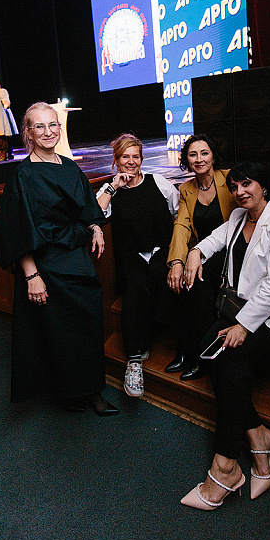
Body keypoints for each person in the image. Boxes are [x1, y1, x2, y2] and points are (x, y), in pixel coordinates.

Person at [180, 161, 270, 510]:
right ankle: (259, 435)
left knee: (232, 361)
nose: (239, 192)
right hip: (243, 310)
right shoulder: (239, 217)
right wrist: (194, 252)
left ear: (263, 186)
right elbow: (214, 239)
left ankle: (225, 466)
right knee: (208, 350)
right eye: (235, 186)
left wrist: (243, 326)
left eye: (247, 184)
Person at [0, 102, 118, 416]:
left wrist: (95, 227)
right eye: (39, 126)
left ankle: (92, 391)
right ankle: (68, 392)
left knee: (88, 325)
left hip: (77, 259)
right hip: (46, 265)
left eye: (53, 125)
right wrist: (32, 275)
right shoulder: (23, 175)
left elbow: (87, 207)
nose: (48, 132)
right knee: (57, 333)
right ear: (28, 133)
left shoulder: (70, 167)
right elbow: (16, 230)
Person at [166, 134, 270, 380]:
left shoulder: (231, 180)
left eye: (204, 153)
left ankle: (197, 351)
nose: (199, 159)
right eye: (193, 154)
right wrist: (179, 260)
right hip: (209, 249)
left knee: (198, 282)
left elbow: (268, 203)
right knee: (188, 280)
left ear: (213, 156)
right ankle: (188, 350)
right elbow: (182, 226)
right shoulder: (186, 189)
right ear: (186, 160)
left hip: (236, 251)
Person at [97, 134, 180, 398]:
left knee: (158, 276)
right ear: (116, 160)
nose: (131, 162)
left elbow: (179, 213)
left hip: (161, 250)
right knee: (135, 287)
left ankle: (152, 338)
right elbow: (95, 214)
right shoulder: (110, 190)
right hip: (132, 255)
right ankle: (134, 360)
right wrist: (114, 187)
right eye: (125, 157)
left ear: (142, 159)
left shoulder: (159, 182)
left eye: (136, 156)